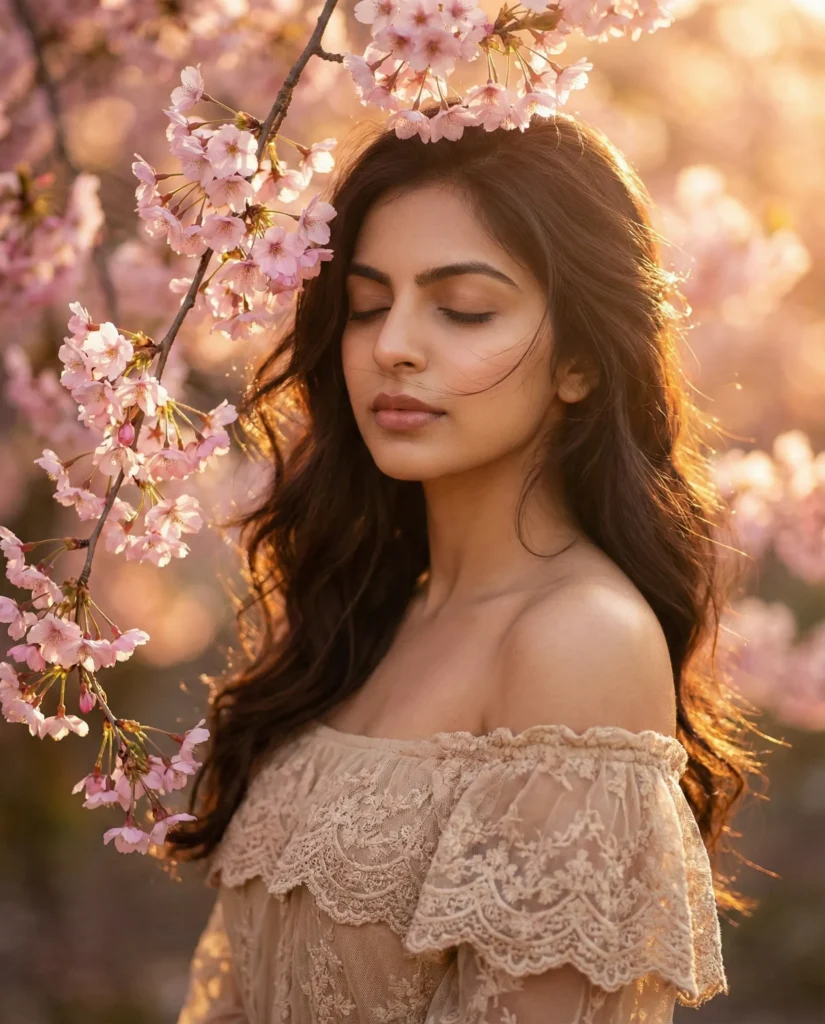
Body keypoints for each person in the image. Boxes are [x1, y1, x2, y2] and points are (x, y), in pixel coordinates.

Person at [168, 107, 757, 1023]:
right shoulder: (367, 619)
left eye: (463, 309)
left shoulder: (579, 641)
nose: (392, 345)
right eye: (367, 307)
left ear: (579, 363)